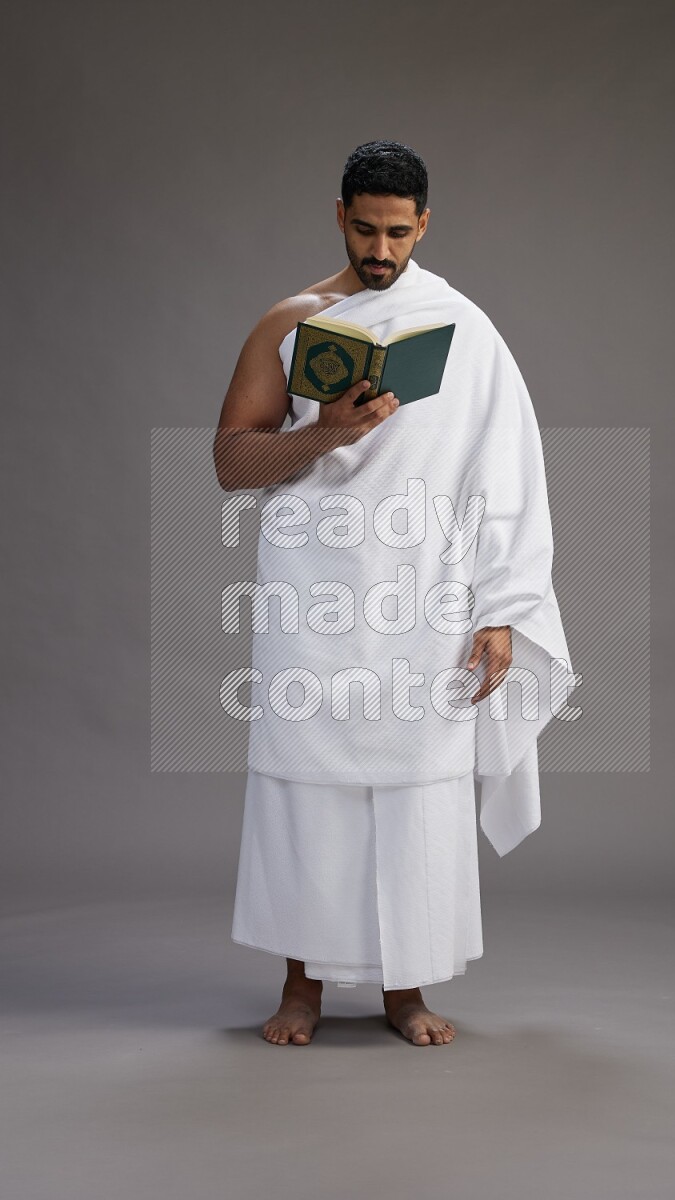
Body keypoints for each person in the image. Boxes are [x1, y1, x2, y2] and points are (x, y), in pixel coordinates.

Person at [214, 140, 574, 1047]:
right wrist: (322, 435)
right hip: (316, 598)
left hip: (428, 598)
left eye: (400, 233)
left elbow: (507, 473)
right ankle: (302, 987)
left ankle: (404, 990)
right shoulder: (291, 322)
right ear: (339, 215)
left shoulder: (464, 330)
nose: (383, 250)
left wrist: (502, 609)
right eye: (367, 230)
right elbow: (231, 461)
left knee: (418, 789)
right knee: (308, 788)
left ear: (425, 224)